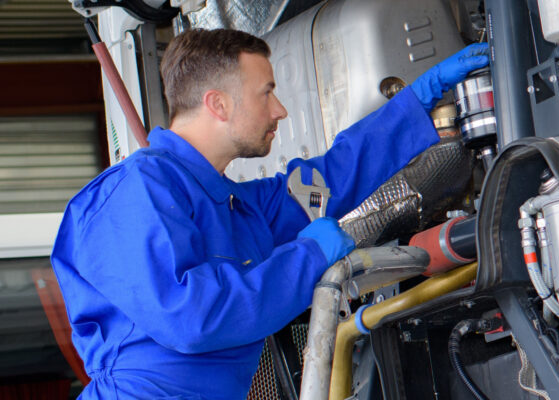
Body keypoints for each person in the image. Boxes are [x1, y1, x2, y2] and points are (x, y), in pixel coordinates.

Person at [49, 29, 488, 399]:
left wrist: (418, 100)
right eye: (266, 93)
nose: (280, 110)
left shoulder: (232, 205)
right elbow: (194, 317)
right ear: (218, 104)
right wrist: (308, 256)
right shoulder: (132, 193)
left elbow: (326, 180)